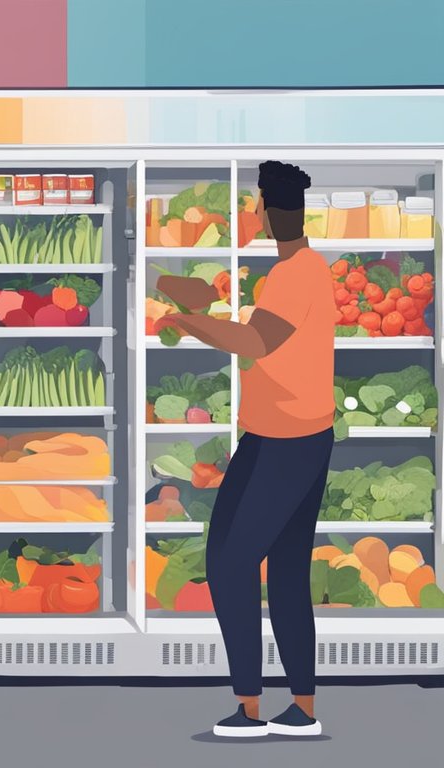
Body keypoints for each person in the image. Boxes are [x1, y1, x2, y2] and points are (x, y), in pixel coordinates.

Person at [156, 161, 336, 739]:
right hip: (293, 434)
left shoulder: (293, 275)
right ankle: (301, 709)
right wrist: (199, 308)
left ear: (264, 206)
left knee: (229, 563)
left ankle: (251, 708)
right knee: (284, 572)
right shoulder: (301, 267)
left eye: (252, 203)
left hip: (285, 440)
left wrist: (189, 321)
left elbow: (255, 342)